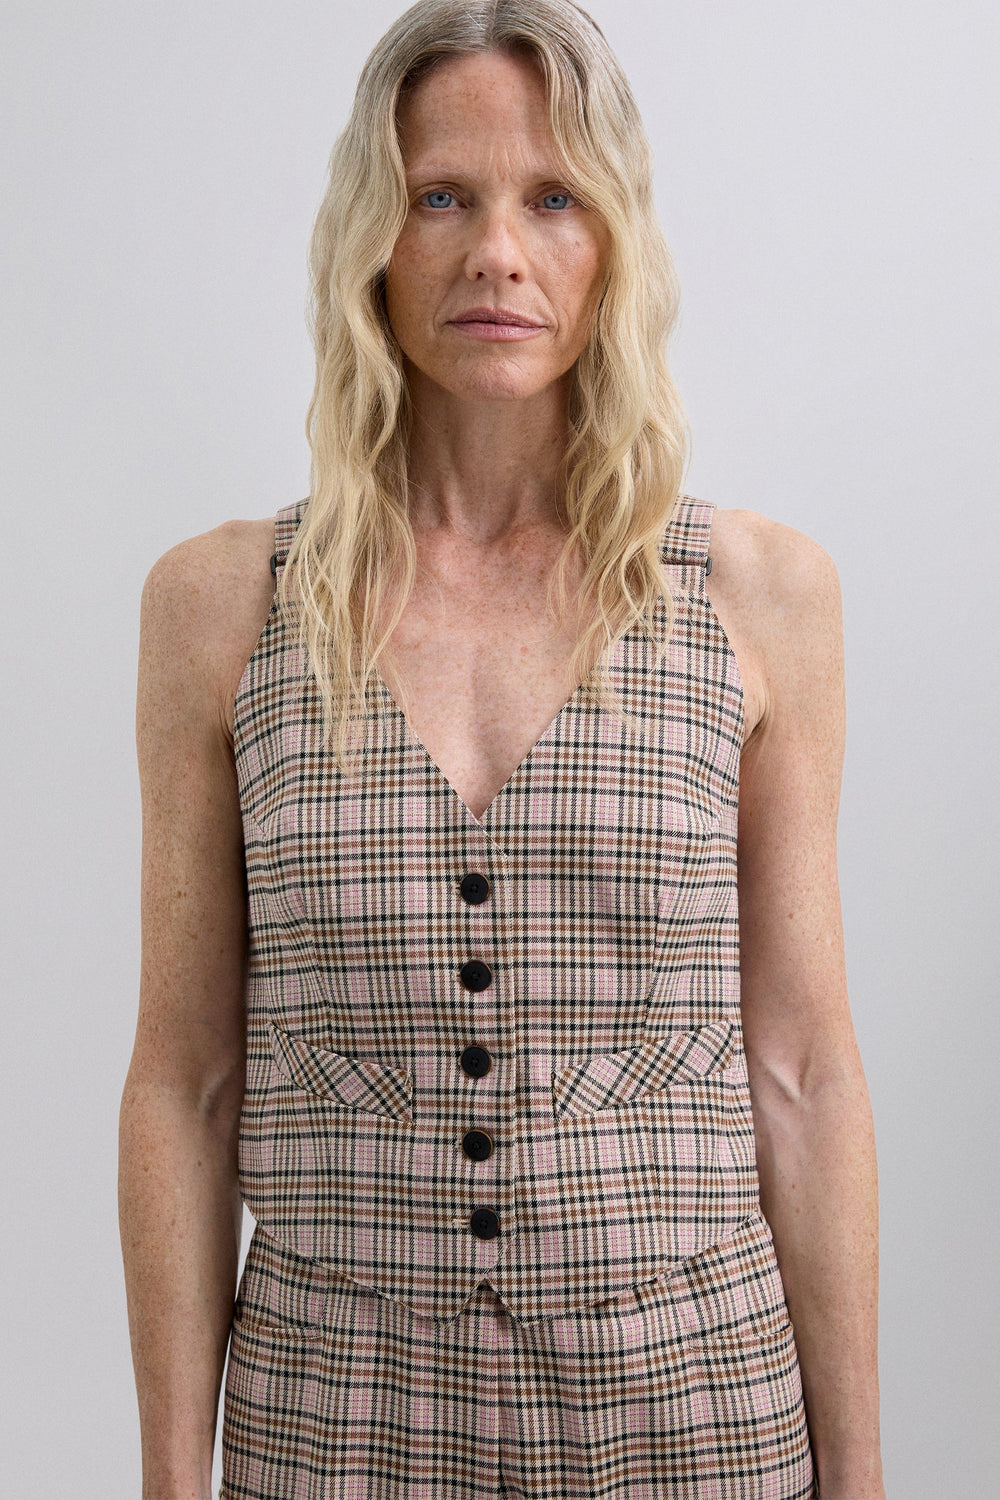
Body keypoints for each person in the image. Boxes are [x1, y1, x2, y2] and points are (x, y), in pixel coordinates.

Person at [118, 1, 885, 1496]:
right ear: (371, 242)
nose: (497, 254)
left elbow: (801, 1067)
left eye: (553, 198)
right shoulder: (220, 608)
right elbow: (185, 1079)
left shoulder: (758, 595)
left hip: (689, 1420)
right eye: (441, 198)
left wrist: (859, 1480)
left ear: (617, 243)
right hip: (332, 1424)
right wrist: (166, 1477)